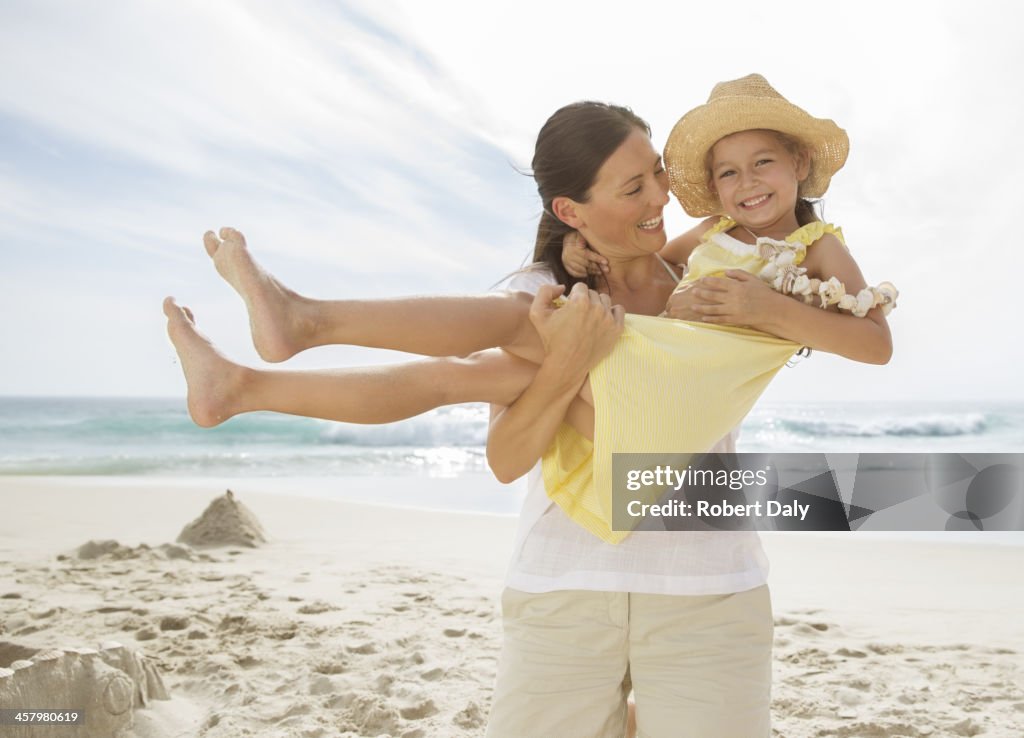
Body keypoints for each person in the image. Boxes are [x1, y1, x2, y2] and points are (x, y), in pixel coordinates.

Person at [164, 75, 895, 736]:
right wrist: (578, 295)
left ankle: (291, 337)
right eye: (635, 187)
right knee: (468, 370)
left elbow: (871, 341)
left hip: (696, 532)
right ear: (572, 210)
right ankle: (256, 372)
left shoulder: (791, 251)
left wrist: (770, 309)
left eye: (657, 180)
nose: (660, 200)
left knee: (484, 360)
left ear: (801, 163)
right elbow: (510, 456)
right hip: (577, 560)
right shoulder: (614, 264)